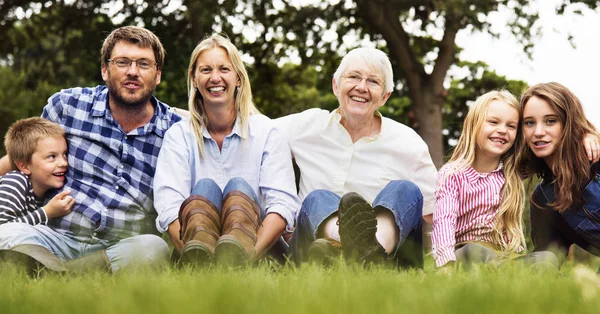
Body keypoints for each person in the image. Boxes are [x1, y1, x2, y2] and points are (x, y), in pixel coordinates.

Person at [0, 26, 182, 273]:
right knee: (5, 231)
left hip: (121, 245)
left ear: (158, 74)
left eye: (143, 64)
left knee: (154, 248)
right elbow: (22, 159)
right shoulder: (68, 106)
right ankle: (73, 272)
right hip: (55, 238)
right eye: (122, 62)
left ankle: (56, 274)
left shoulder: (175, 131)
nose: (132, 72)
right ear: (105, 70)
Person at [278, 47, 437, 267]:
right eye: (353, 77)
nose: (361, 87)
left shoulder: (408, 143)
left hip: (388, 259)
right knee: (317, 198)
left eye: (373, 81)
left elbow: (438, 213)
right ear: (336, 85)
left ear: (385, 96)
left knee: (406, 190)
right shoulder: (304, 125)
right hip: (310, 248)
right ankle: (364, 252)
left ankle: (366, 251)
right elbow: (254, 132)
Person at [153, 34, 300, 266]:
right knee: (205, 188)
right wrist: (198, 257)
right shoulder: (179, 136)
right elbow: (169, 206)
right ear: (194, 78)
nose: (215, 78)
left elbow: (282, 205)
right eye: (205, 70)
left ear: (238, 78)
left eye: (224, 69)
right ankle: (203, 259)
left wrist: (247, 257)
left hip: (258, 249)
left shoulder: (266, 131)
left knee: (238, 187)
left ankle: (233, 257)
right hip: (197, 249)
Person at [431, 91, 529, 268]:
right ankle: (505, 273)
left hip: (504, 255)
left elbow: (551, 151)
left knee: (546, 257)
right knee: (475, 252)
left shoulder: (511, 173)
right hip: (465, 251)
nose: (502, 130)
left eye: (511, 126)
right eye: (493, 122)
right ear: (473, 125)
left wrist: (587, 135)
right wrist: (446, 264)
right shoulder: (453, 174)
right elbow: (444, 221)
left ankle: (510, 271)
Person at [522, 82, 600, 267]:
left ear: (568, 122)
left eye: (551, 121)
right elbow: (548, 254)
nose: (538, 132)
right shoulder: (543, 199)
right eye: (529, 123)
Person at [1, 117, 74, 226]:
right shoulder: (15, 182)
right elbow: (3, 230)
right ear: (24, 166)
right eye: (52, 156)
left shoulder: (45, 192)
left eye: (64, 154)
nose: (63, 163)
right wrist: (47, 212)